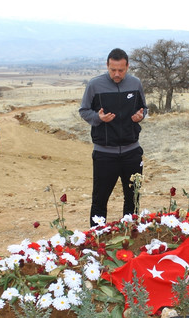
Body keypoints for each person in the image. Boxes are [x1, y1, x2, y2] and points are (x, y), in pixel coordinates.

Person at [79, 48, 147, 227]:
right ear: (107, 66)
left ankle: (130, 235)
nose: (117, 74)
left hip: (132, 152)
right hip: (104, 154)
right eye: (113, 70)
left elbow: (143, 108)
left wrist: (141, 116)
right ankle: (96, 242)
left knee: (133, 199)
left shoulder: (135, 83)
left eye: (121, 70)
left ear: (128, 66)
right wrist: (98, 118)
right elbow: (84, 111)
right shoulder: (95, 85)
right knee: (99, 201)